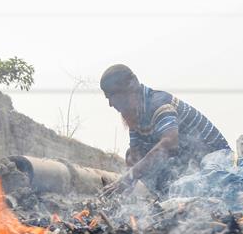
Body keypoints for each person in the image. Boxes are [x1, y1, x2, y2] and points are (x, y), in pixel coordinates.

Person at [99, 64, 231, 198]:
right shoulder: (135, 116)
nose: (111, 103)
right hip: (188, 168)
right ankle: (170, 200)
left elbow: (170, 144)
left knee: (152, 159)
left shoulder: (159, 102)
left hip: (217, 167)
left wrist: (128, 178)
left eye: (113, 95)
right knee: (132, 158)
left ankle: (180, 200)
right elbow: (135, 157)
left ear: (131, 85)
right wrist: (122, 190)